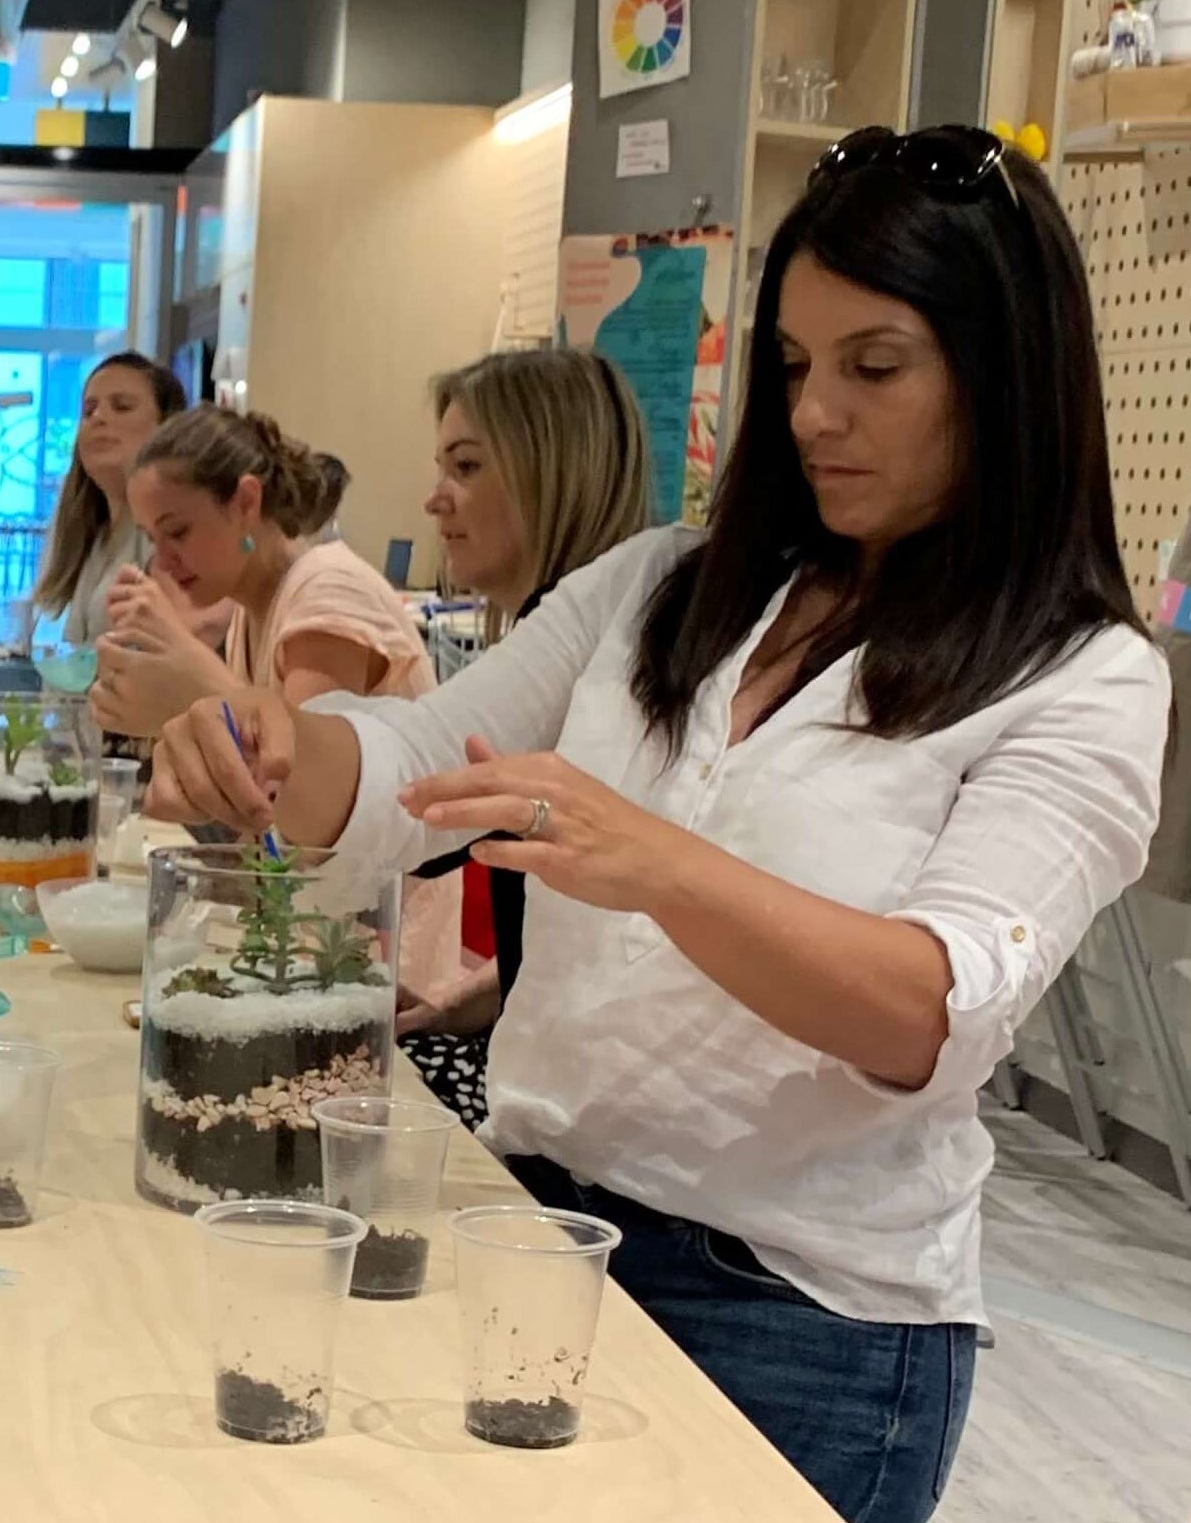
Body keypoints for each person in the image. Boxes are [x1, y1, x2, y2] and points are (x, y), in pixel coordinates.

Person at [149, 128, 1163, 1523]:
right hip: (533, 1231)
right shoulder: (661, 587)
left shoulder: (1081, 679)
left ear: (1007, 375)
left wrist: (661, 865)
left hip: (801, 1319)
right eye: (793, 368)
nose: (816, 415)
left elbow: (932, 1009)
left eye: (874, 368)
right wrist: (277, 745)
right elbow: (419, 761)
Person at [91, 405, 460, 997]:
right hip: (318, 944)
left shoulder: (327, 594)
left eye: (177, 531)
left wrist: (186, 683)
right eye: (153, 539)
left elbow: (298, 817)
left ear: (245, 502)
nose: (162, 561)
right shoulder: (252, 608)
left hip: (383, 970)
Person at [398, 349, 654, 1127]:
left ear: (553, 473)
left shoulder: (602, 670)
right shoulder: (574, 639)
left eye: (467, 467)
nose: (435, 500)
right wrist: (474, 999)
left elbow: (408, 820)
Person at [31, 352, 187, 641]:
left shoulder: (177, 534)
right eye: (88, 411)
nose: (99, 418)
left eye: (122, 406)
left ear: (166, 427)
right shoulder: (81, 534)